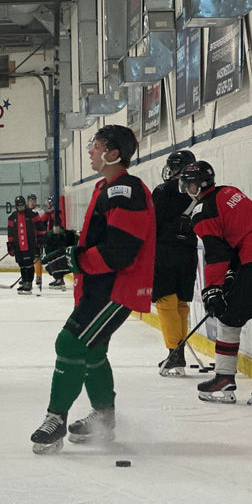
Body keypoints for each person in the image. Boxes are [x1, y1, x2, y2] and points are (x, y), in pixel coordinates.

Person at [31, 125, 155, 454]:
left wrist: (73, 259)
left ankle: (55, 419)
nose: (90, 150)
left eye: (95, 145)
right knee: (93, 350)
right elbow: (104, 239)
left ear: (113, 153)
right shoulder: (108, 187)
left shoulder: (125, 190)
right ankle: (104, 417)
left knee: (70, 342)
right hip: (101, 286)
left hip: (115, 288)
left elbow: (120, 251)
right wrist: (69, 242)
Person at [179, 161, 252, 406]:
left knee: (229, 318)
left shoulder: (202, 211)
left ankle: (224, 378)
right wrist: (235, 270)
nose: (187, 188)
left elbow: (216, 253)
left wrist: (213, 289)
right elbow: (248, 228)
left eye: (189, 183)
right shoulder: (230, 191)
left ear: (197, 185)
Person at [153, 150, 199, 377]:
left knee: (165, 301)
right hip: (189, 252)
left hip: (165, 252)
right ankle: (178, 351)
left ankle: (174, 353)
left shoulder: (163, 191)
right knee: (181, 302)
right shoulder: (198, 190)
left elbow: (151, 222)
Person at [6, 196, 39, 294]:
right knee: (21, 264)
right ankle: (24, 281)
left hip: (29, 245)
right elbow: (10, 233)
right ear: (16, 206)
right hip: (18, 246)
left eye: (23, 206)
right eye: (19, 206)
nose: (21, 208)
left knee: (29, 264)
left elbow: (39, 228)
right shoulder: (12, 217)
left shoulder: (32, 215)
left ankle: (29, 282)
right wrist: (10, 245)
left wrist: (40, 241)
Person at [42, 196, 68, 289]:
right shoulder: (50, 214)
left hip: (55, 242)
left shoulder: (56, 214)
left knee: (54, 259)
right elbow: (42, 221)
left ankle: (59, 278)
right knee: (51, 260)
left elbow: (59, 227)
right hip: (50, 241)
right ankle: (57, 278)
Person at [28, 194, 45, 291]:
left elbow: (41, 225)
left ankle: (38, 276)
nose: (32, 202)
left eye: (34, 200)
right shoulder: (25, 212)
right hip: (28, 239)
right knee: (28, 258)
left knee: (37, 257)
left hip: (37, 238)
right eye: (30, 200)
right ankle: (27, 278)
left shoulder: (40, 212)